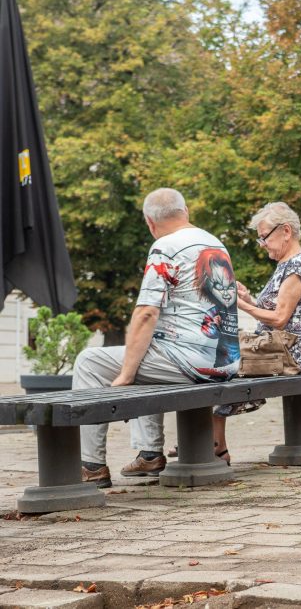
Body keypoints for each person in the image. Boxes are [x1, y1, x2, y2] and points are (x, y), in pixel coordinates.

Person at [79, 188, 240, 489]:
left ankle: (91, 465)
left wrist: (125, 375)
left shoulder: (165, 246)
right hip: (226, 361)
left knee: (89, 361)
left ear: (149, 223)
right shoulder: (215, 243)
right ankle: (150, 454)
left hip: (190, 362)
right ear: (186, 211)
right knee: (146, 352)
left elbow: (146, 314)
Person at [211, 202, 301, 461]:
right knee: (209, 363)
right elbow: (276, 310)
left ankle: (207, 441)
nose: (262, 244)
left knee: (211, 366)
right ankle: (212, 443)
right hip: (274, 347)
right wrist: (249, 298)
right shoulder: (286, 265)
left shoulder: (299, 264)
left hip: (288, 352)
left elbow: (280, 318)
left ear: (285, 231)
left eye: (264, 237)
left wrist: (239, 304)